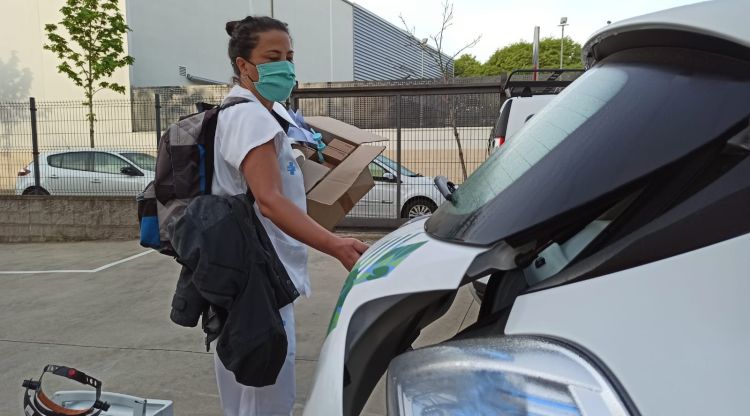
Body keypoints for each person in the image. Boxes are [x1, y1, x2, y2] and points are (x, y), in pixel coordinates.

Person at [213, 16, 368, 416]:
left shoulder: (264, 112)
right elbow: (269, 200)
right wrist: (334, 244)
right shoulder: (250, 117)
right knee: (266, 395)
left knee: (247, 389)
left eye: (289, 56)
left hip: (252, 275)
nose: (285, 66)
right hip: (259, 279)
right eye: (272, 57)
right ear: (244, 66)